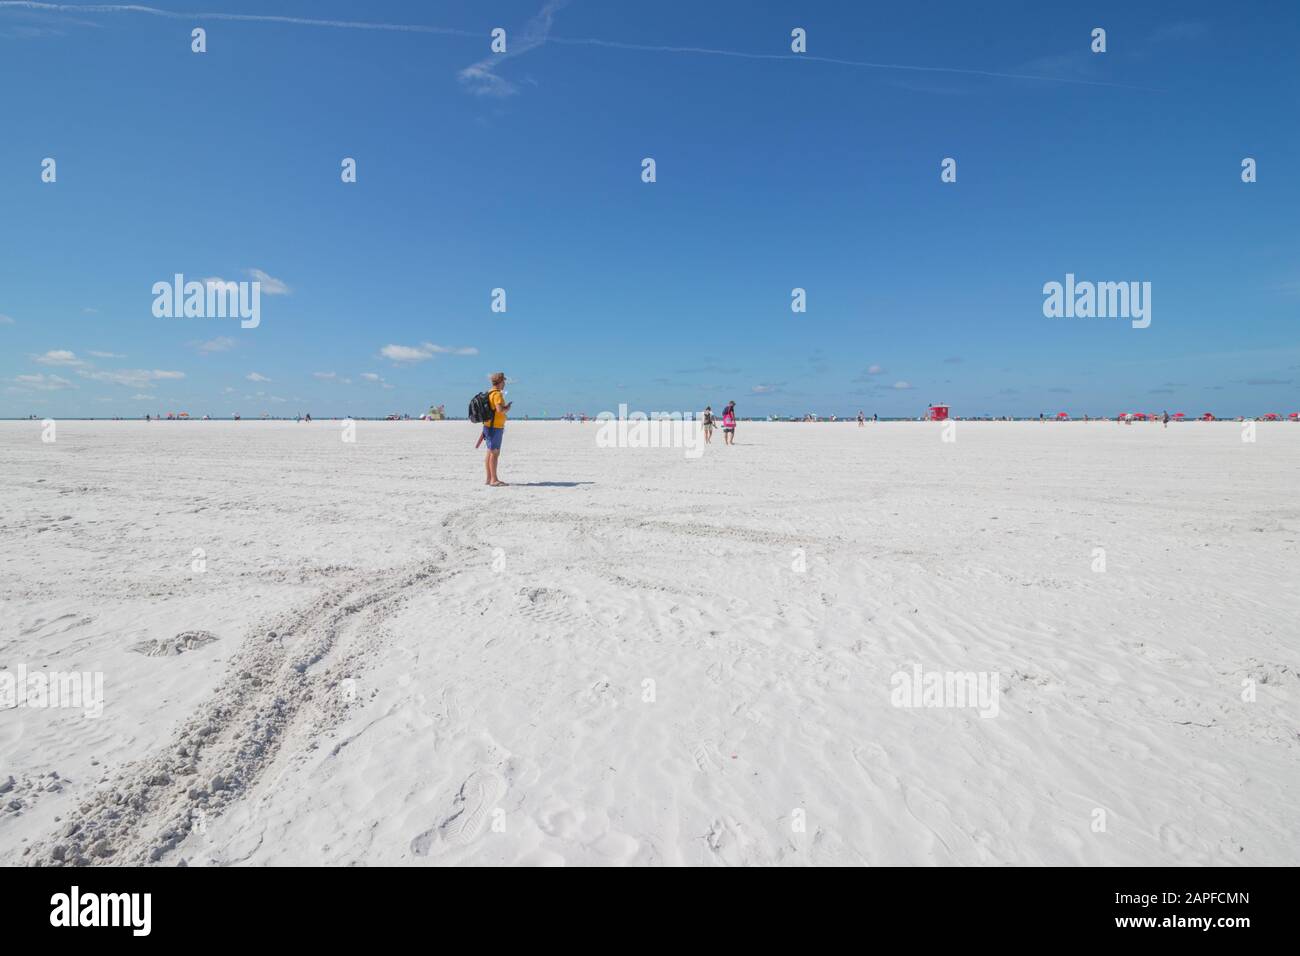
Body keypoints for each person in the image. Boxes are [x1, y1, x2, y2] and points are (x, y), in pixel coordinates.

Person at [482, 372, 511, 485]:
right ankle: (494, 479)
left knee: (490, 452)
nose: (504, 383)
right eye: (504, 381)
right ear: (500, 382)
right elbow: (499, 410)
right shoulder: (497, 394)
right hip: (495, 427)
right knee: (494, 453)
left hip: (488, 426)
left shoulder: (489, 392)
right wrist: (507, 408)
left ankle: (489, 478)